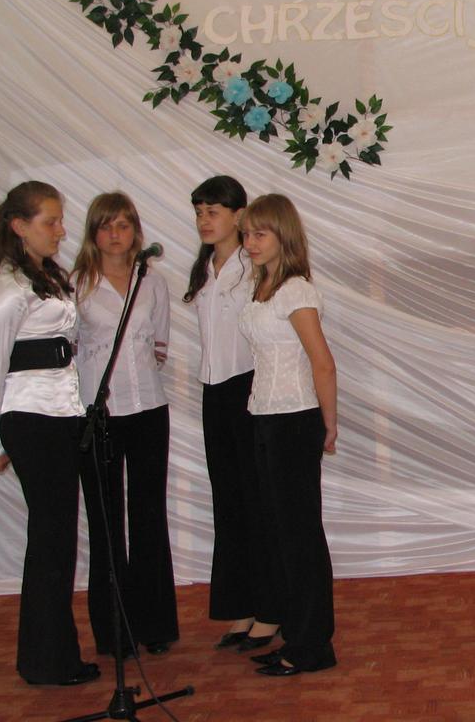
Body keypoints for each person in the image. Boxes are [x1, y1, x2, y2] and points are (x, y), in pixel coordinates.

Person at [0, 182, 100, 685]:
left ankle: (49, 656)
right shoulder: (8, 292)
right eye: (50, 221)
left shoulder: (44, 276)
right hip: (31, 418)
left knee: (56, 539)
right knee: (52, 540)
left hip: (60, 414)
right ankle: (48, 661)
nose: (61, 230)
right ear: (19, 226)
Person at [72, 192, 179, 656]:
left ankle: (154, 624)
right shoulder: (76, 284)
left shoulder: (151, 281)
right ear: (93, 233)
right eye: (106, 225)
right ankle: (115, 630)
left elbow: (159, 345)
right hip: (100, 415)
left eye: (123, 225)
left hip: (149, 409)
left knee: (149, 516)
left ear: (136, 230)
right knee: (107, 521)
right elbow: (71, 352)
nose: (115, 234)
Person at [237, 194, 338, 676]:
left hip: (295, 418)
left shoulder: (296, 290)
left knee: (299, 536)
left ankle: (312, 645)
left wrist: (329, 423)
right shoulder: (264, 286)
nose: (249, 243)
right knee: (280, 533)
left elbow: (322, 362)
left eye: (260, 234)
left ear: (284, 236)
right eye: (246, 234)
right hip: (265, 415)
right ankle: (297, 635)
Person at [185, 176, 280, 652]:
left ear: (239, 215)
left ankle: (271, 609)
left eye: (214, 211)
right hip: (214, 392)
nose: (205, 220)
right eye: (199, 212)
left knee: (258, 501)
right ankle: (241, 606)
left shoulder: (253, 266)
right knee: (228, 502)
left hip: (249, 390)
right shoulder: (204, 269)